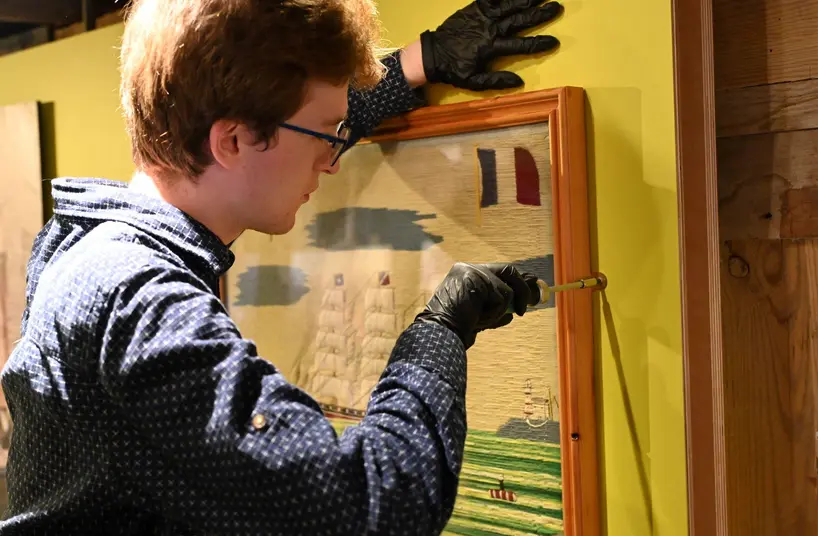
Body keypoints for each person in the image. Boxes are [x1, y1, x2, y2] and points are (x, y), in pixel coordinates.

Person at [0, 0, 562, 534]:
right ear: (235, 138)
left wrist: (421, 62)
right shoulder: (146, 304)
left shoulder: (83, 243)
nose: (333, 161)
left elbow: (272, 130)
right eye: (327, 134)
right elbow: (370, 508)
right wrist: (439, 333)